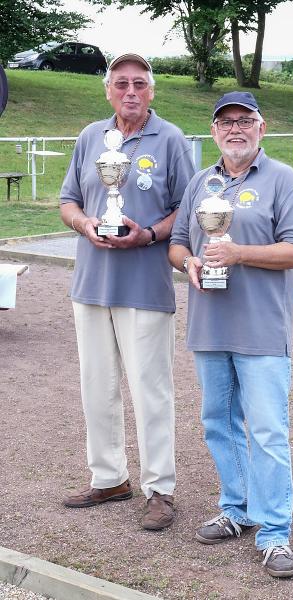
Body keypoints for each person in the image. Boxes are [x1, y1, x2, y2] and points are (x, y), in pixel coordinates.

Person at [169, 91, 293, 576]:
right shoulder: (201, 182)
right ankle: (237, 508)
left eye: (245, 120)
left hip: (262, 330)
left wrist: (239, 253)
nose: (236, 129)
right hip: (209, 326)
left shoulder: (282, 180)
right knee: (219, 423)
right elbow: (177, 243)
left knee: (268, 432)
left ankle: (274, 533)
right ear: (214, 131)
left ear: (261, 127)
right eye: (226, 121)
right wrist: (189, 262)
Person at [60, 53, 195, 530]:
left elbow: (189, 209)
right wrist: (85, 224)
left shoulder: (171, 139)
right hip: (91, 284)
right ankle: (109, 477)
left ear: (151, 91)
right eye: (121, 83)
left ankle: (160, 489)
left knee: (151, 391)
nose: (130, 91)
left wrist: (150, 235)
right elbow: (68, 200)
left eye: (139, 83)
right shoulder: (90, 136)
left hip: (145, 285)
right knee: (96, 387)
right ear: (108, 90)